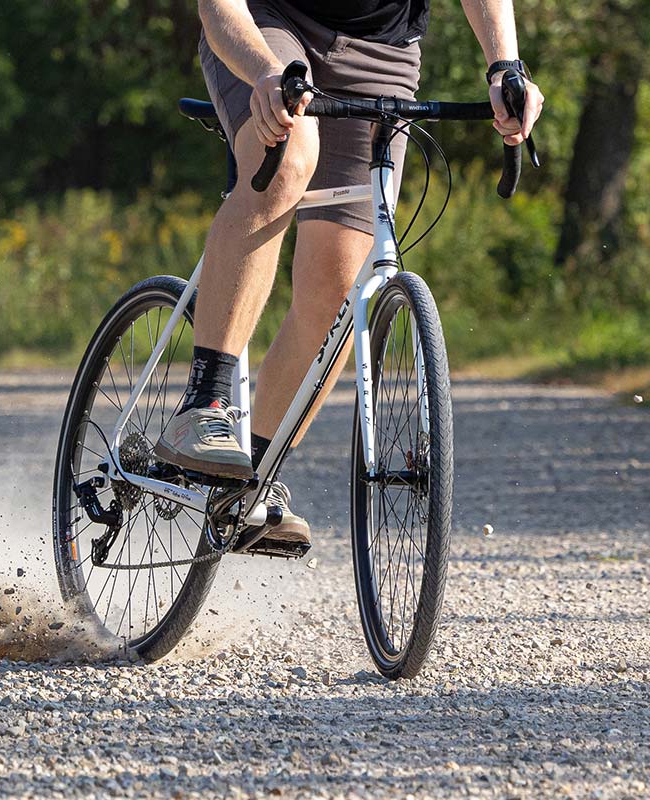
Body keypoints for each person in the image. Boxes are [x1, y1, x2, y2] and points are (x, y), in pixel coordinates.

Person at [153, 0, 544, 543]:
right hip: (270, 28)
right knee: (288, 161)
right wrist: (265, 73)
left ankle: (250, 484)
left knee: (338, 292)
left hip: (383, 52)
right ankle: (205, 404)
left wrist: (506, 65)